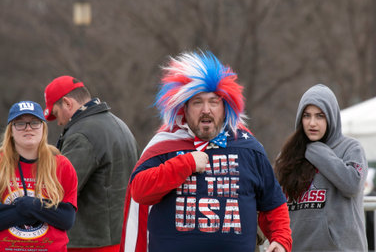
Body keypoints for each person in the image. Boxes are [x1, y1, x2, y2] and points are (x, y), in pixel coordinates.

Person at [120, 51, 292, 252]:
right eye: (197, 102)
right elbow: (139, 190)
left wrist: (281, 239)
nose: (206, 110)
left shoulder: (248, 148)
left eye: (213, 101)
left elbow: (273, 203)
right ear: (184, 108)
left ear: (226, 106)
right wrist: (186, 164)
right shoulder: (164, 145)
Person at [43, 76, 139, 252]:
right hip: (124, 237)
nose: (59, 122)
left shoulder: (81, 134)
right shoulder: (120, 125)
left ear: (67, 103)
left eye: (56, 113)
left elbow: (58, 190)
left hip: (90, 244)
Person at [274, 84, 368, 251]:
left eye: (320, 116)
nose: (312, 123)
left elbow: (352, 185)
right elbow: (277, 202)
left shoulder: (351, 148)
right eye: (306, 116)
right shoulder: (288, 154)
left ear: (331, 117)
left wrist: (317, 151)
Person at [0, 101, 77, 251]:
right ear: (11, 130)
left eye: (34, 122)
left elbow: (66, 219)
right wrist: (41, 211)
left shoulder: (61, 165)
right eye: (20, 123)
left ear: (43, 128)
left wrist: (32, 206)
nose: (28, 128)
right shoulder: (1, 163)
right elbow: (57, 216)